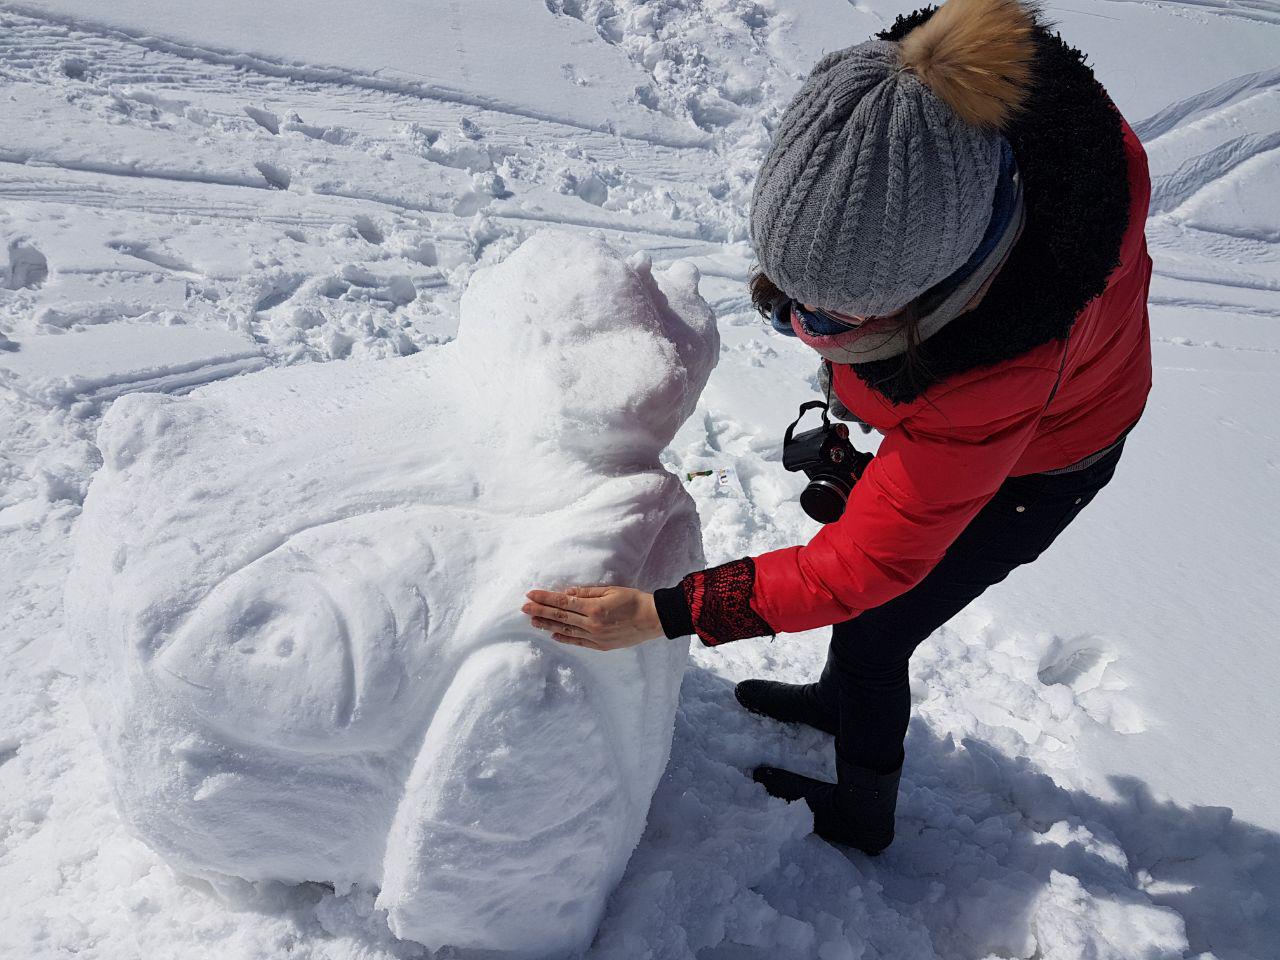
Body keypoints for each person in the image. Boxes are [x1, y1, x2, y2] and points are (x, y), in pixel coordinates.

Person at [521, 0, 1152, 855]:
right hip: (999, 414)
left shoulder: (990, 378)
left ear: (940, 284)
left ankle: (863, 810)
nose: (807, 324)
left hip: (1043, 465)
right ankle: (831, 702)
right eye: (792, 301)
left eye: (839, 315)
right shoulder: (927, 127)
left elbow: (863, 567)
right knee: (861, 629)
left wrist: (663, 612)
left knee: (874, 630)